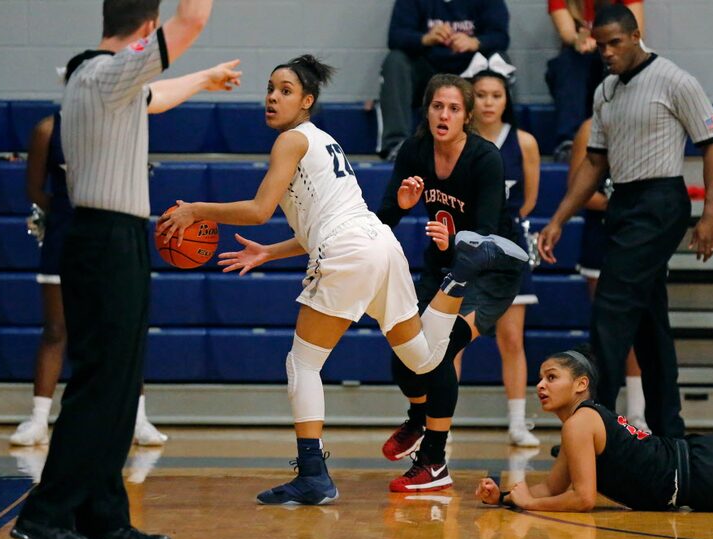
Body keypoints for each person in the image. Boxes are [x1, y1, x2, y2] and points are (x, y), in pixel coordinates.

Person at [159, 55, 528, 505]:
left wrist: (195, 209)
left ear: (307, 101)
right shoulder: (323, 141)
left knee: (303, 363)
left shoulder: (291, 141)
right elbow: (325, 225)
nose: (273, 97)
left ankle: (313, 473)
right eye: (271, 88)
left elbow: (258, 211)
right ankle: (460, 275)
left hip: (351, 250)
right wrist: (271, 252)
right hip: (379, 245)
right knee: (422, 357)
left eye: (286, 90)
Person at [11, 1, 241, 539]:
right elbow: (192, 21)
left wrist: (205, 78)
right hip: (102, 239)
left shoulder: (104, 81)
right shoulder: (105, 71)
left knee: (117, 382)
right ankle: (45, 515)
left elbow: (156, 98)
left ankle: (102, 513)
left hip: (115, 239)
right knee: (100, 382)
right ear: (144, 30)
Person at [538, 5, 713, 439]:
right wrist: (559, 218)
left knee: (610, 311)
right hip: (623, 204)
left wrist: (710, 213)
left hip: (661, 201)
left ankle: (594, 428)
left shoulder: (676, 80)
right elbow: (594, 162)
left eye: (615, 42)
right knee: (647, 321)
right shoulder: (605, 90)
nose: (606, 51)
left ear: (635, 35)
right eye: (600, 44)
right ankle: (668, 432)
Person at [375, 73, 526, 491]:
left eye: (454, 108)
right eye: (438, 106)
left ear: (467, 116)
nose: (444, 114)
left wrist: (455, 243)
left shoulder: (485, 158)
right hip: (441, 263)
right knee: (405, 352)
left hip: (490, 267)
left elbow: (486, 234)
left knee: (438, 352)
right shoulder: (416, 150)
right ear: (427, 111)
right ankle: (419, 419)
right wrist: (403, 204)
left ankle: (434, 462)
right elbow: (383, 217)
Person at [10, 112, 167, 448]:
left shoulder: (124, 123)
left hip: (116, 237)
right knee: (56, 329)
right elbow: (34, 189)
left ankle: (137, 419)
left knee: (124, 331)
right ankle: (38, 420)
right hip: (64, 237)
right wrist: (73, 213)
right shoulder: (47, 129)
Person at [475, 348, 713, 512]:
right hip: (704, 464)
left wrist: (530, 504)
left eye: (551, 377)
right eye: (541, 378)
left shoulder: (580, 423)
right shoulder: (579, 423)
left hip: (705, 472)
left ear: (580, 384)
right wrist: (504, 497)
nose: (541, 385)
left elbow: (583, 499)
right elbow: (552, 488)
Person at [460, 55, 542, 447]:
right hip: (467, 247)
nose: (489, 102)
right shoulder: (458, 140)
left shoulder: (524, 142)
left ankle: (517, 423)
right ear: (470, 99)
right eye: (481, 95)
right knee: (453, 338)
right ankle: (440, 425)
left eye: (496, 95)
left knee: (512, 340)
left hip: (510, 248)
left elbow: (529, 200)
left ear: (506, 99)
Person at [569, 118, 647, 432]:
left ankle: (638, 414)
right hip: (601, 235)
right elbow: (580, 190)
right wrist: (619, 202)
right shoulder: (588, 128)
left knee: (638, 328)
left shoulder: (650, 122)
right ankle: (604, 415)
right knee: (606, 328)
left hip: (642, 233)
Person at [377, 0, 510, 160]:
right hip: (426, 74)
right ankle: (396, 144)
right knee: (395, 60)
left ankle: (499, 143)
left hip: (470, 71)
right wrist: (425, 38)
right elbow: (395, 37)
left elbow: (501, 37)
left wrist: (475, 42)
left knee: (500, 60)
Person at [545, 0, 644, 162]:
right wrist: (581, 39)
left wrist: (603, 43)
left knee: (619, 61)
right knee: (568, 62)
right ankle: (569, 143)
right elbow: (566, 33)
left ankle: (620, 138)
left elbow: (636, 34)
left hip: (612, 61)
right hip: (579, 64)